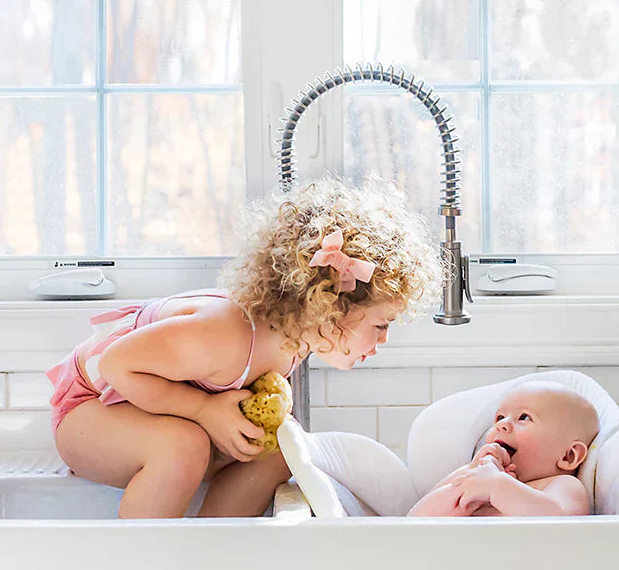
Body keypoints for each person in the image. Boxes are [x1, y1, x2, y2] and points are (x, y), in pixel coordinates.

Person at [46, 179, 445, 519]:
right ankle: (138, 560)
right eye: (380, 325)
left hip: (142, 412)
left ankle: (213, 551)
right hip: (87, 411)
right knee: (184, 445)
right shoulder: (227, 336)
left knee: (284, 448)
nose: (383, 341)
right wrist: (205, 410)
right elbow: (117, 366)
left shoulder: (289, 344)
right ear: (329, 306)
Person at [407, 381, 600, 517]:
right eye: (500, 418)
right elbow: (416, 520)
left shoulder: (561, 485)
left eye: (524, 417)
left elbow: (565, 525)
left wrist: (496, 486)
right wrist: (464, 484)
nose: (502, 425)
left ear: (569, 455)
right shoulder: (473, 474)